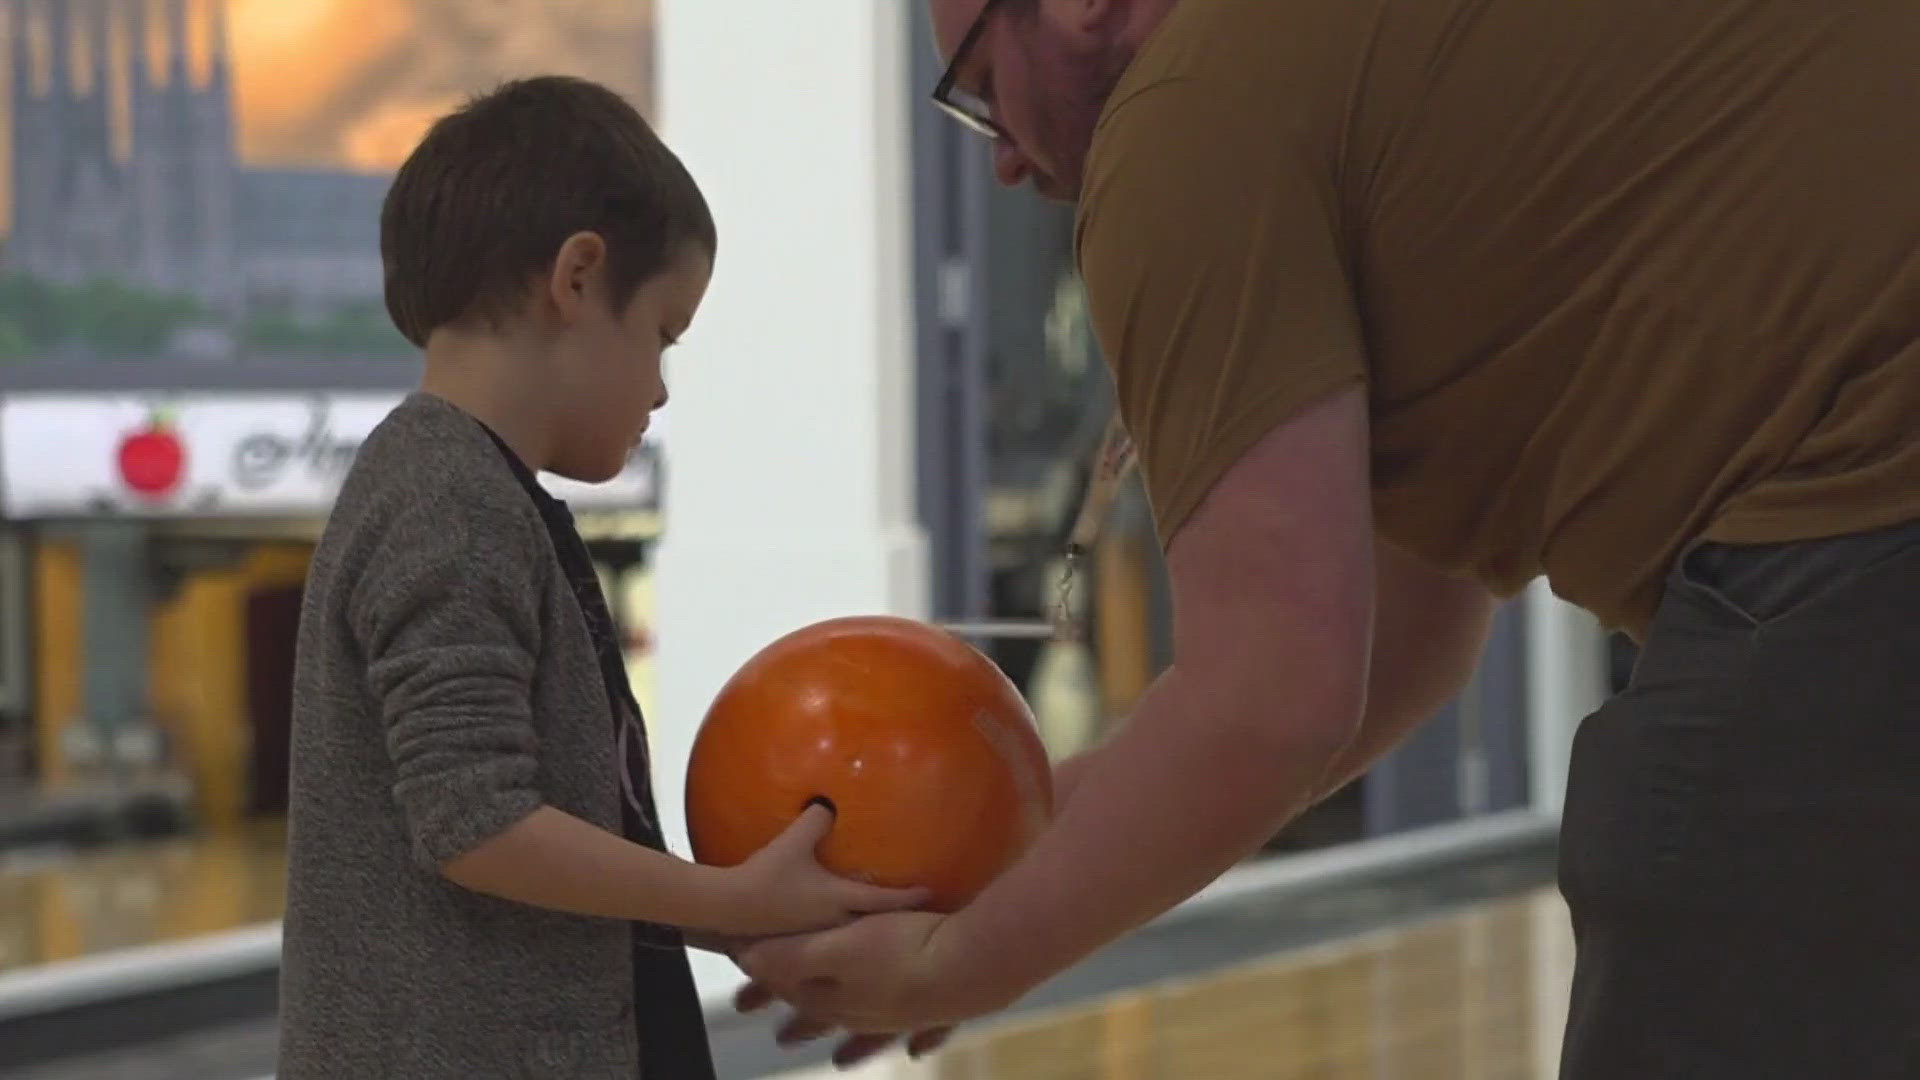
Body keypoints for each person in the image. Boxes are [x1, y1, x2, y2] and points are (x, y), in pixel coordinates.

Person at [737, 1, 1920, 1075]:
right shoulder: (1341, 70)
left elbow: (1274, 701)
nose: (997, 158)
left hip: (1863, 504)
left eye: (981, 85)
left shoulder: (1182, 124)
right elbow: (1392, 655)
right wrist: (999, 857)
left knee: (1689, 871)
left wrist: (964, 963)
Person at [277, 75, 927, 1079]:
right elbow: (476, 823)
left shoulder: (476, 492)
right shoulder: (446, 500)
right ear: (578, 278)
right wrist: (730, 901)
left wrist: (728, 922)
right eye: (663, 332)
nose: (663, 383)